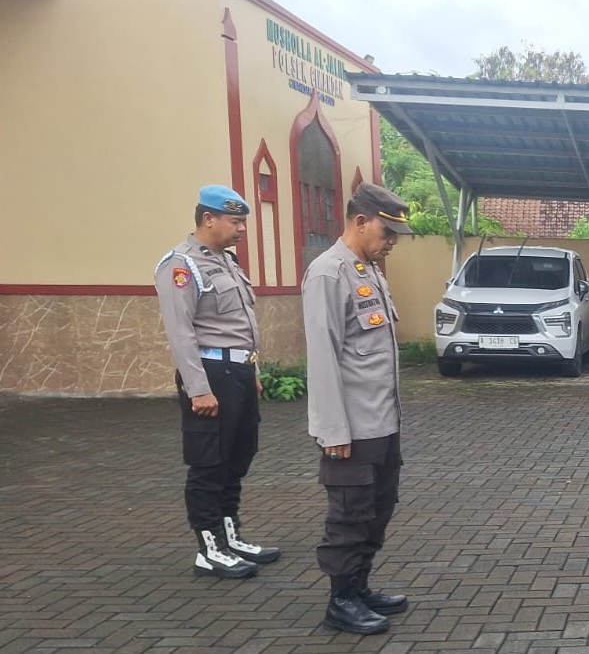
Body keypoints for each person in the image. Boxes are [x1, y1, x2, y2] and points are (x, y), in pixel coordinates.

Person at [304, 183, 415, 635]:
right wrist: (332, 431)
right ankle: (341, 600)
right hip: (350, 428)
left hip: (382, 422)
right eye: (387, 233)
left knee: (377, 507)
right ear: (361, 221)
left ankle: (360, 585)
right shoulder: (328, 274)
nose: (392, 242)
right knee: (349, 513)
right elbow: (323, 357)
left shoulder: (368, 271)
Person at [154, 184, 280, 579]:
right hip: (211, 375)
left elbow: (241, 327)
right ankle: (209, 551)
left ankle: (230, 538)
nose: (242, 229)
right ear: (208, 218)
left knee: (237, 459)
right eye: (235, 221)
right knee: (209, 464)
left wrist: (252, 371)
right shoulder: (181, 265)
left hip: (238, 373)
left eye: (243, 222)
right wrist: (199, 389)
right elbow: (181, 333)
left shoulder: (227, 262)